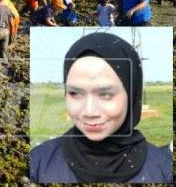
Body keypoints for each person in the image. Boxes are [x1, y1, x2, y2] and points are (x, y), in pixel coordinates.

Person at [29, 33, 172, 184]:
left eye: (105, 94)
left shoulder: (164, 169)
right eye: (75, 93)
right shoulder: (37, 164)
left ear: (131, 94)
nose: (90, 112)